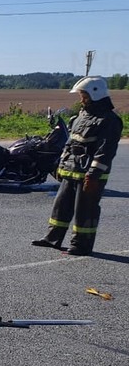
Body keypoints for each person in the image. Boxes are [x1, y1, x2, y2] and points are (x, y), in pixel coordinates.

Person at [32, 76, 122, 256]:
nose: (81, 99)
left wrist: (93, 174)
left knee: (85, 210)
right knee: (61, 206)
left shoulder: (110, 120)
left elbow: (105, 151)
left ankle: (81, 246)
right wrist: (61, 165)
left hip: (90, 175)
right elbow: (70, 143)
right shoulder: (81, 116)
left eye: (84, 95)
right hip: (71, 170)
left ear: (96, 94)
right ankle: (52, 239)